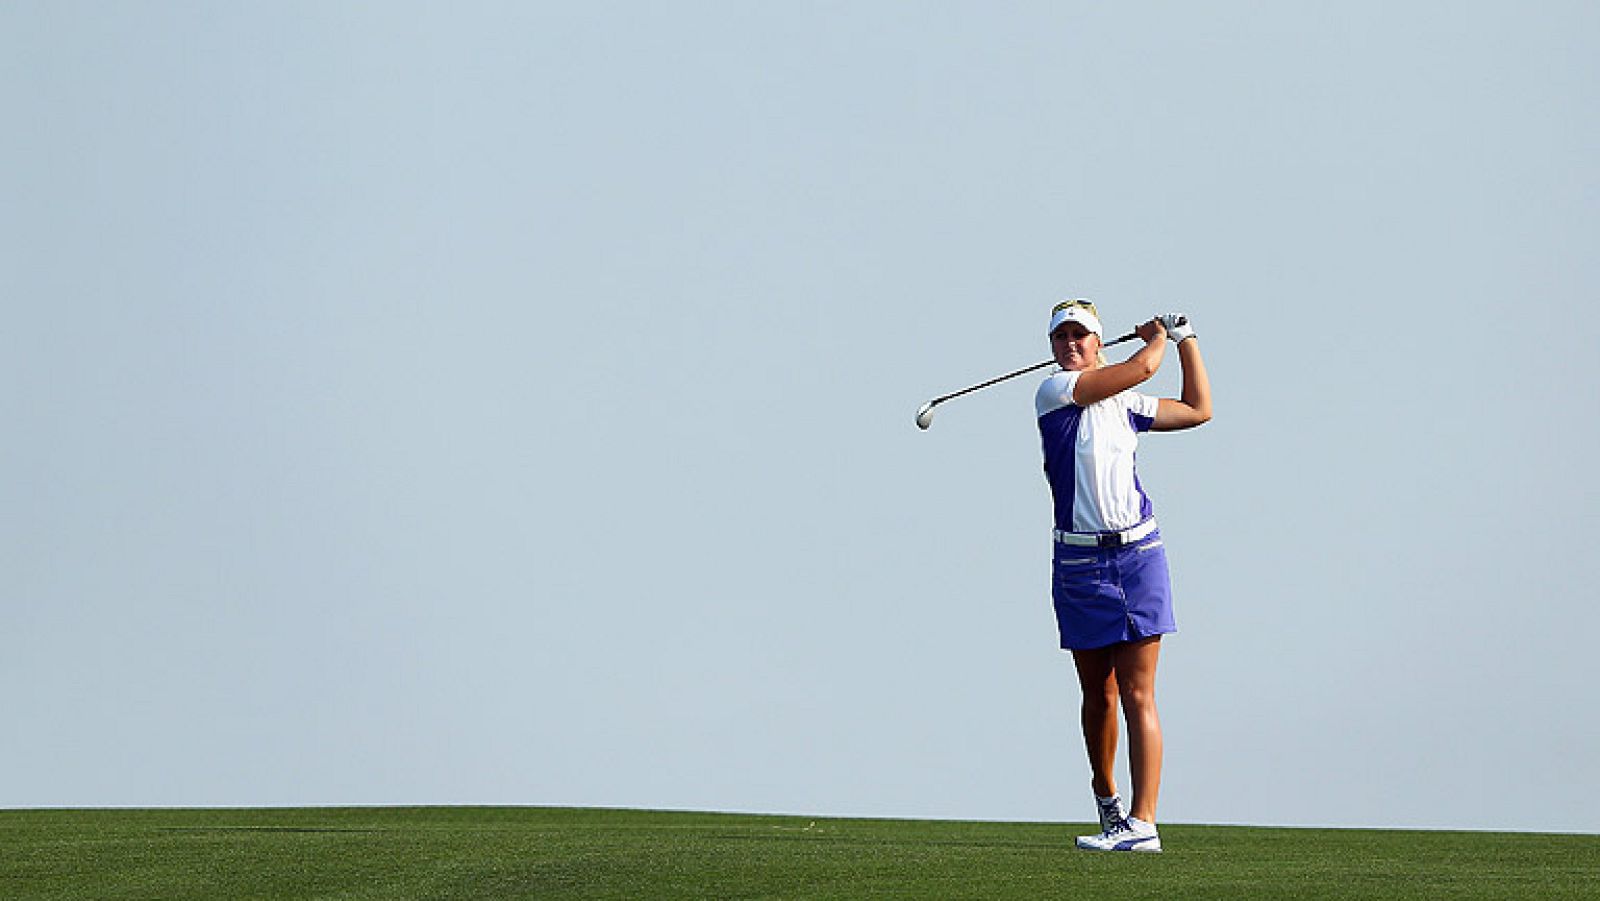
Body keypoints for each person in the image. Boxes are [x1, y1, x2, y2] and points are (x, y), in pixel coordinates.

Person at [1034, 299, 1212, 853]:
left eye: (1080, 336)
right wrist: (1155, 338)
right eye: (1061, 337)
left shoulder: (1127, 405)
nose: (1070, 345)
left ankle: (1143, 823)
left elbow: (1199, 408)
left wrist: (1186, 341)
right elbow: (1141, 367)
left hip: (1138, 555)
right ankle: (1107, 797)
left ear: (1097, 343)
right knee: (1098, 693)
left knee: (1138, 693)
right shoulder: (1053, 393)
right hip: (1080, 563)